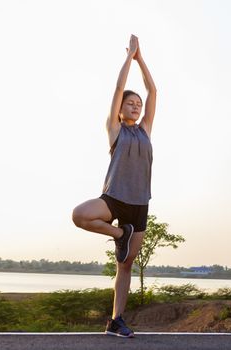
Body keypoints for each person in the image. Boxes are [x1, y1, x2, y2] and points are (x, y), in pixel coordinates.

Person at [72, 34, 157, 338]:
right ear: (119, 110)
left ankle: (115, 320)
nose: (135, 106)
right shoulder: (115, 130)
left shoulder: (146, 131)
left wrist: (141, 59)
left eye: (138, 104)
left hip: (140, 203)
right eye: (130, 104)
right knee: (80, 215)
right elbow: (119, 88)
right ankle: (121, 234)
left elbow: (153, 89)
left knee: (125, 266)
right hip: (114, 198)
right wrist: (128, 57)